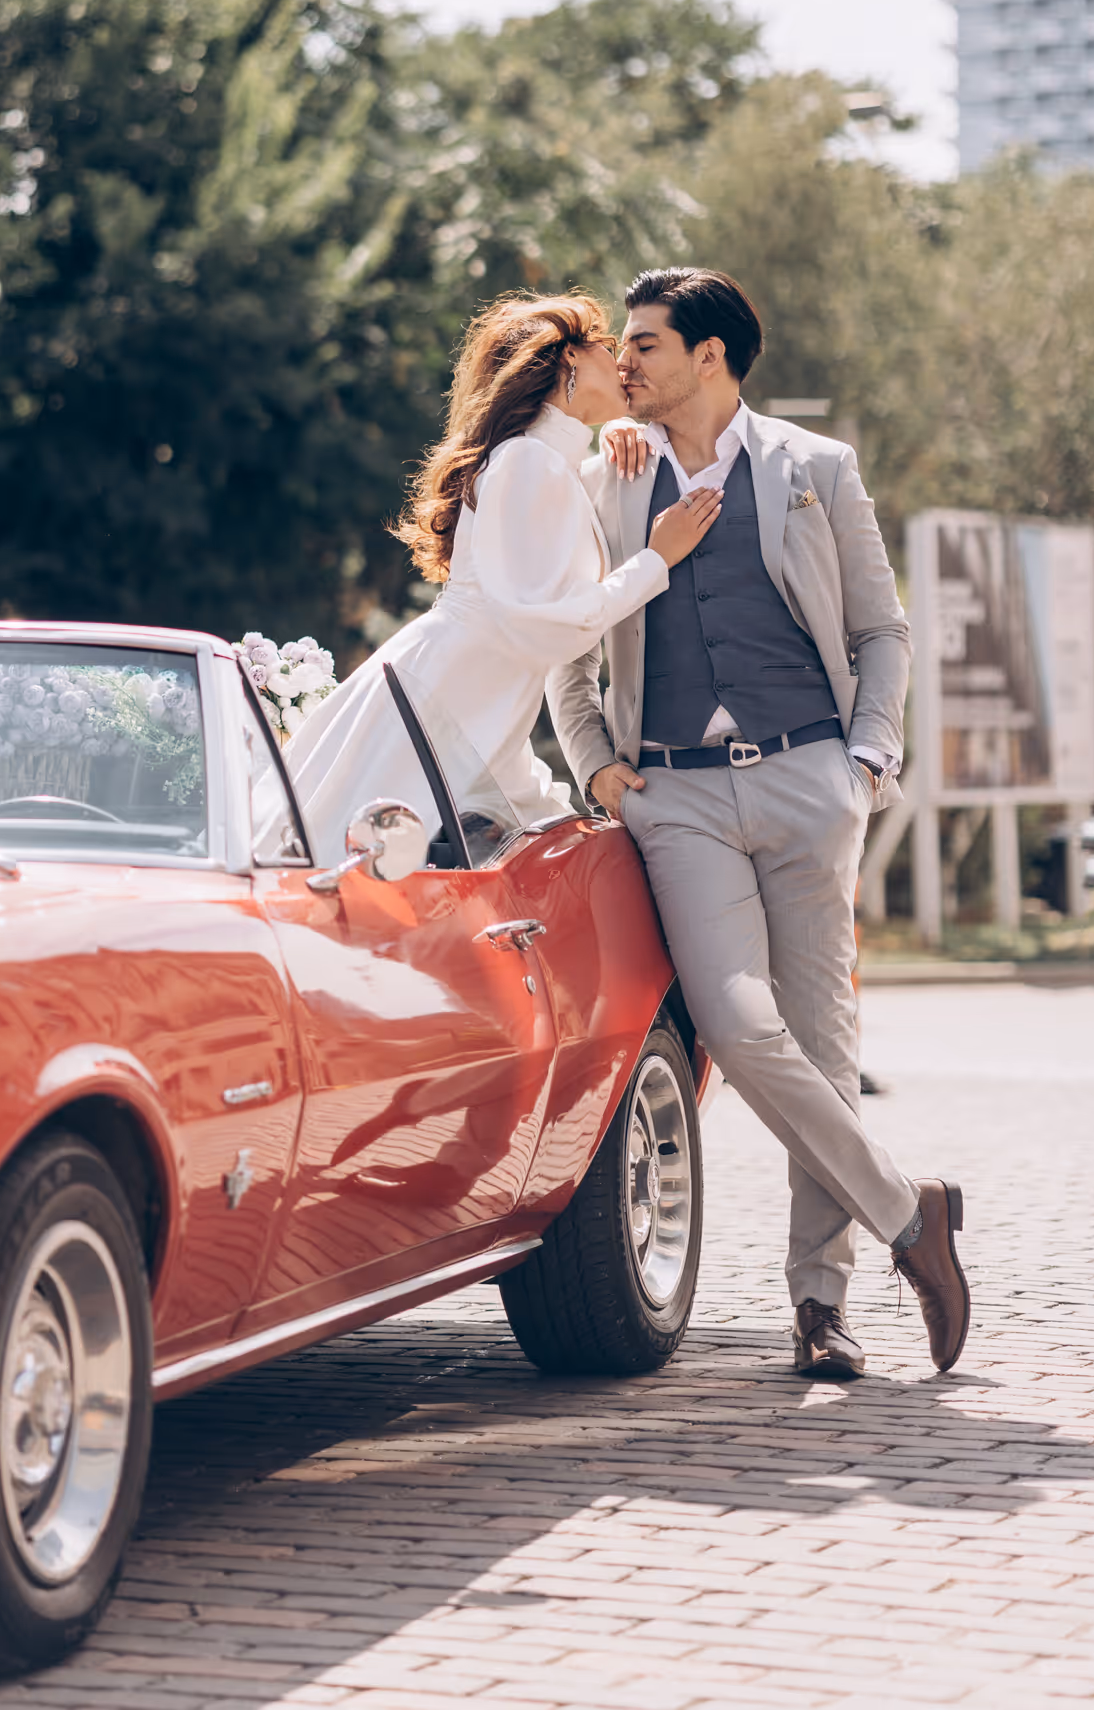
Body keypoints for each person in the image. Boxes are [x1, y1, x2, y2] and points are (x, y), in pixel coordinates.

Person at [547, 266, 971, 1380]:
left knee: (823, 1047)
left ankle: (820, 1307)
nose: (623, 362)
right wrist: (595, 766)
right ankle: (910, 1212)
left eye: (644, 344)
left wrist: (867, 759)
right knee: (737, 1032)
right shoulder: (611, 479)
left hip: (807, 779)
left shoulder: (815, 469)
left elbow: (884, 633)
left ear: (711, 358)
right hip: (675, 795)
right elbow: (567, 647)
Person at [285, 293, 722, 873]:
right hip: (434, 705)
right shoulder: (527, 460)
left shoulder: (544, 459)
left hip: (466, 710)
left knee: (338, 870)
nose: (621, 362)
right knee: (328, 872)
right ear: (567, 361)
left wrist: (619, 433)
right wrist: (655, 561)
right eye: (607, 346)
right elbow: (543, 624)